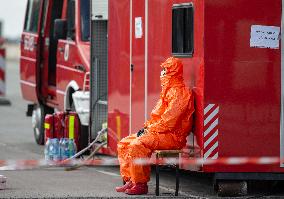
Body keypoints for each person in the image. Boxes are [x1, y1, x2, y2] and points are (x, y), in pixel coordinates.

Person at [116, 57, 195, 195]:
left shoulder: (180, 94)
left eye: (165, 70)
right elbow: (158, 118)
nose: (162, 73)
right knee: (124, 143)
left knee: (137, 145)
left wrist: (148, 130)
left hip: (172, 137)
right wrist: (147, 128)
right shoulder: (167, 91)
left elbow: (169, 121)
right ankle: (131, 180)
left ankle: (140, 185)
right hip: (160, 133)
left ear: (172, 72)